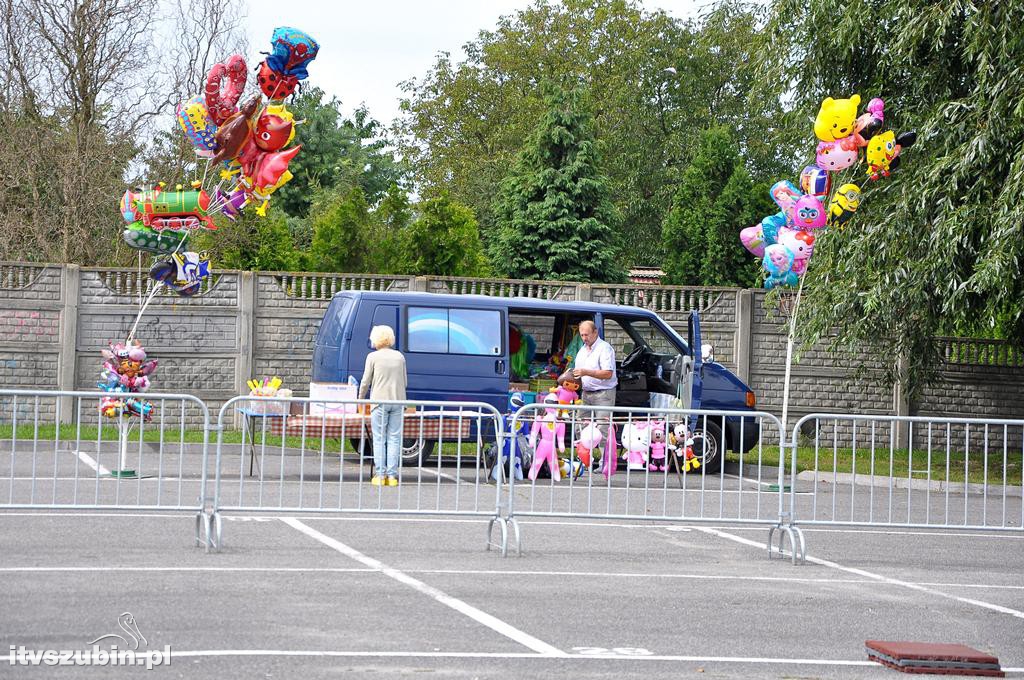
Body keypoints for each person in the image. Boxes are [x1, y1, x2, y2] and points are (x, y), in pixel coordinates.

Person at [358, 325, 407, 487]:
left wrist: (360, 398)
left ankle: (380, 475)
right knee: (394, 438)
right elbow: (405, 381)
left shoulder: (372, 357)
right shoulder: (399, 357)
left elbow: (365, 381)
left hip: (379, 402)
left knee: (379, 439)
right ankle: (392, 477)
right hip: (398, 401)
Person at [571, 320, 617, 468]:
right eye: (582, 335)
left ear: (595, 332)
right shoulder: (582, 350)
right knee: (580, 426)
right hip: (586, 393)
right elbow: (577, 372)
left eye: (587, 334)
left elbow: (608, 373)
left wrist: (585, 372)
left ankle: (604, 464)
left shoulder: (605, 349)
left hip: (603, 393)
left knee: (603, 428)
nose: (584, 338)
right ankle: (584, 461)